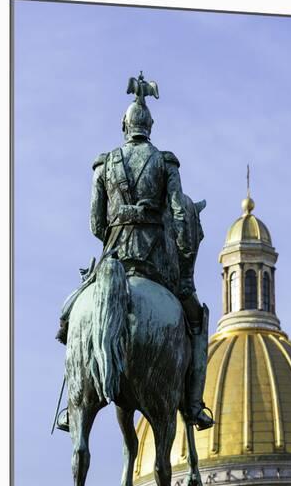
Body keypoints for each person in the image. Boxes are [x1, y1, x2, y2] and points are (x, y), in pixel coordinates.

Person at [56, 73, 214, 432]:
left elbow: (96, 224)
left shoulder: (105, 164)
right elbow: (177, 214)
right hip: (154, 262)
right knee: (195, 323)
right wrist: (183, 253)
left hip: (113, 257)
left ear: (124, 125)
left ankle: (72, 406)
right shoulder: (165, 163)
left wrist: (118, 224)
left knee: (69, 320)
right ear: (150, 127)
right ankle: (193, 405)